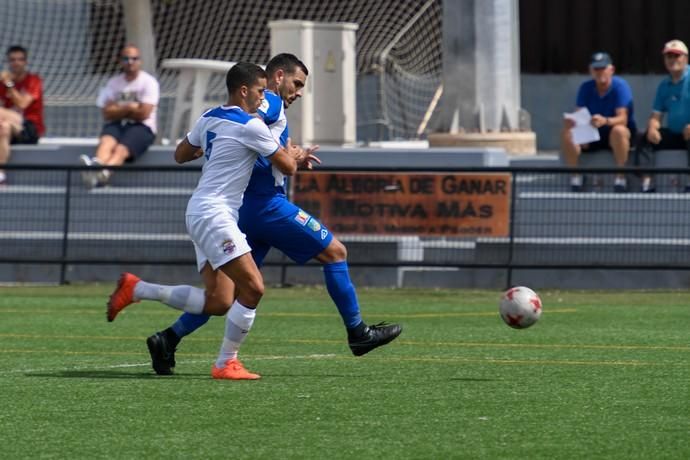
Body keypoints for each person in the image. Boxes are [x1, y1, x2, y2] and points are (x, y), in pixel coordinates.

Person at [144, 53, 402, 376]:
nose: (297, 92)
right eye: (296, 84)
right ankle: (357, 333)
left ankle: (168, 338)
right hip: (266, 207)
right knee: (335, 252)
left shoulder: (238, 114)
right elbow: (255, 135)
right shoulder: (268, 104)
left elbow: (240, 144)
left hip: (243, 210)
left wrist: (288, 154)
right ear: (277, 77)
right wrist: (289, 157)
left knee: (234, 294)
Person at [107, 62, 306, 380]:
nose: (262, 97)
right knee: (253, 288)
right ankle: (226, 362)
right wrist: (294, 154)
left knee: (219, 300)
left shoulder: (209, 117)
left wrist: (214, 148)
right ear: (244, 91)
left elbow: (181, 154)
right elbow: (288, 167)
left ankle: (138, 289)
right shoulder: (252, 126)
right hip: (215, 215)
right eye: (259, 90)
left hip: (199, 211)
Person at [80, 44, 159, 188]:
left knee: (120, 149)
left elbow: (144, 113)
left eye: (134, 58)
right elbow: (107, 113)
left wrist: (118, 108)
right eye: (126, 58)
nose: (130, 62)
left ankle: (99, 172)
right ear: (120, 61)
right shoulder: (114, 83)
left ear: (140, 61)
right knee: (106, 142)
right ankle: (96, 172)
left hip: (142, 127)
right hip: (117, 124)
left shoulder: (149, 82)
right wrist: (130, 107)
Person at [561, 51, 636, 192]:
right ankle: (576, 177)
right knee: (567, 133)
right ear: (590, 70)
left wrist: (605, 120)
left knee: (619, 130)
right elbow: (579, 113)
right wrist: (576, 126)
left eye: (603, 68)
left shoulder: (620, 86)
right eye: (596, 69)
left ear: (611, 70)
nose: (600, 72)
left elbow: (623, 118)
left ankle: (620, 177)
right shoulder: (585, 87)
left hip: (613, 134)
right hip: (592, 134)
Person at [636, 39, 690, 193]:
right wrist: (652, 127)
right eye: (669, 56)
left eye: (676, 56)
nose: (672, 60)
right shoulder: (664, 85)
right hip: (675, 134)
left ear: (685, 58)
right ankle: (647, 183)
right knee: (643, 137)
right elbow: (655, 115)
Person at [0, 45, 44, 185]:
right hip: (11, 127)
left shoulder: (34, 81)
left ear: (25, 62)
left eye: (20, 59)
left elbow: (22, 104)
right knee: (3, 127)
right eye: (12, 60)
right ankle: (1, 175)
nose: (16, 63)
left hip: (29, 128)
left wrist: (8, 84)